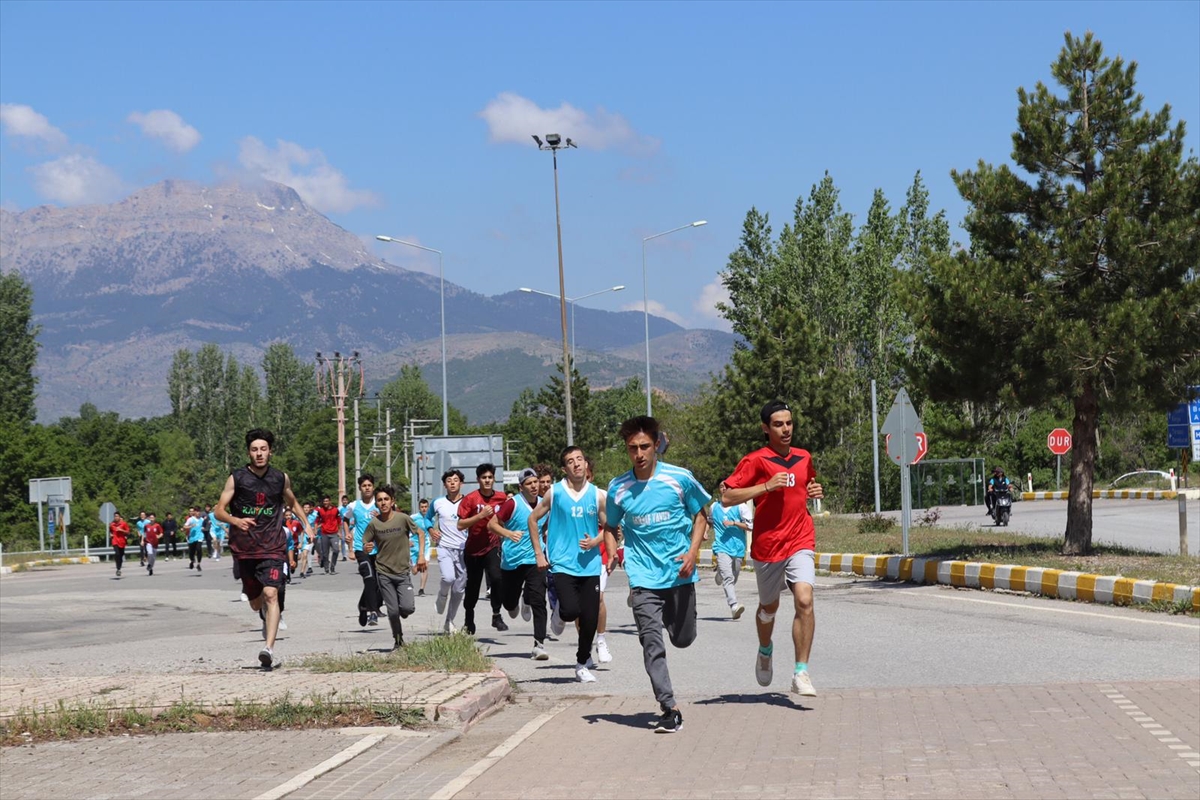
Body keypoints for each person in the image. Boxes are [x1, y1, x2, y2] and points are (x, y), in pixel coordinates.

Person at [605, 416, 709, 734]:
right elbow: (610, 526)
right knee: (652, 644)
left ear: (656, 445)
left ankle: (673, 620)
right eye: (633, 448)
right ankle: (669, 707)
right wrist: (612, 551)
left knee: (682, 638)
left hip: (679, 574)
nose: (639, 453)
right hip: (642, 576)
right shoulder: (618, 487)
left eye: (645, 446)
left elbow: (701, 516)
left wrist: (693, 552)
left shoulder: (680, 478)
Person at [722, 400, 825, 698]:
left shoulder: (804, 457)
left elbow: (805, 486)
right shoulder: (755, 460)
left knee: (805, 600)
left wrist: (814, 492)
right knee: (769, 608)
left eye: (789, 423)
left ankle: (801, 672)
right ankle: (765, 649)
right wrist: (765, 487)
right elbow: (727, 497)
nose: (786, 429)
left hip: (800, 538)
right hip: (768, 546)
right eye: (778, 424)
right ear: (765, 429)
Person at [214, 428, 311, 670]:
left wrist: (306, 524)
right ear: (249, 452)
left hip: (273, 546)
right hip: (245, 549)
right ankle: (264, 615)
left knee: (271, 594)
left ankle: (268, 648)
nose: (259, 454)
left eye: (263, 449)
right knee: (256, 602)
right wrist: (236, 521)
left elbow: (293, 501)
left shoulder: (280, 478)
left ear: (270, 451)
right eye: (255, 450)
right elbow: (219, 511)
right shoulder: (236, 478)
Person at [528, 446, 606, 684]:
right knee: (571, 611)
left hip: (590, 565)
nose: (577, 464)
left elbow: (611, 527)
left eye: (580, 459)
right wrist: (539, 554)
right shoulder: (555, 492)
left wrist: (596, 541)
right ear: (565, 468)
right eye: (571, 461)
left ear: (585, 464)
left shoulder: (598, 495)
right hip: (562, 563)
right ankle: (560, 610)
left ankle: (582, 663)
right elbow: (532, 519)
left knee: (590, 619)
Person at [490, 468, 549, 659]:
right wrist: (508, 534)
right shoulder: (512, 504)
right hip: (512, 561)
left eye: (536, 482)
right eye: (529, 483)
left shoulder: (544, 504)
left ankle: (539, 644)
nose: (534, 486)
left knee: (540, 600)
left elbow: (546, 526)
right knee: (509, 604)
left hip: (535, 558)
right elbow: (492, 524)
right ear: (521, 487)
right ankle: (519, 600)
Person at [363, 484, 426, 650]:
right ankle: (398, 641)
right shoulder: (374, 524)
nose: (383, 503)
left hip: (403, 572)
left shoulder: (402, 518)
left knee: (408, 608)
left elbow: (420, 533)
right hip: (383, 572)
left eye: (386, 499)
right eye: (379, 500)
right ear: (376, 503)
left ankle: (402, 611)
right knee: (392, 611)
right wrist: (366, 547)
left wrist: (420, 555)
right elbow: (365, 541)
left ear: (392, 501)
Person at [457, 463, 509, 635]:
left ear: (494, 479)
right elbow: (460, 524)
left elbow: (511, 513)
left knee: (497, 578)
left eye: (490, 477)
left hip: (492, 546)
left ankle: (496, 614)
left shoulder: (501, 498)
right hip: (473, 550)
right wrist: (480, 516)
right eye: (484, 478)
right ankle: (468, 618)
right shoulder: (470, 499)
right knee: (473, 586)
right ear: (478, 480)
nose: (487, 480)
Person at [430, 469, 467, 633]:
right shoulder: (438, 502)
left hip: (464, 549)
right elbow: (426, 519)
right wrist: (431, 529)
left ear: (461, 483)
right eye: (449, 480)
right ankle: (442, 595)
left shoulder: (469, 502)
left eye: (456, 480)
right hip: (444, 546)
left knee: (459, 590)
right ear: (445, 484)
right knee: (448, 577)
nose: (452, 483)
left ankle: (449, 621)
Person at [343, 475, 382, 627]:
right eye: (364, 485)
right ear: (360, 488)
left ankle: (362, 606)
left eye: (369, 485)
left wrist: (381, 516)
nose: (367, 488)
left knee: (378, 582)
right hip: (361, 547)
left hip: (378, 548)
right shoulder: (354, 506)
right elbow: (345, 519)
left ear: (373, 487)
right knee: (369, 578)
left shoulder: (380, 504)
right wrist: (347, 534)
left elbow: (390, 518)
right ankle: (373, 612)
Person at [709, 483, 751, 619]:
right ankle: (734, 606)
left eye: (728, 486)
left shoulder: (741, 507)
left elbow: (750, 526)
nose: (724, 488)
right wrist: (704, 532)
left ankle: (720, 573)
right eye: (721, 486)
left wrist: (734, 523)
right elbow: (709, 522)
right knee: (729, 578)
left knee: (734, 576)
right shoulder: (714, 507)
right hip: (721, 546)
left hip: (738, 548)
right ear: (719, 489)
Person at [586, 457, 613, 664]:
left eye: (587, 476)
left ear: (591, 476)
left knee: (599, 599)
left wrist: (610, 552)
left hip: (599, 556)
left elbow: (611, 527)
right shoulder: (564, 496)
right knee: (579, 606)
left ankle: (601, 640)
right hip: (575, 557)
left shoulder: (601, 496)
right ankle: (583, 646)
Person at [534, 463, 564, 638]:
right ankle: (527, 599)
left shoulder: (556, 498)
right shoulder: (532, 502)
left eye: (548, 481)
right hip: (534, 548)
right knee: (538, 585)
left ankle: (555, 609)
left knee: (553, 580)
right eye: (541, 482)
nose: (545, 485)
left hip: (553, 547)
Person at [314, 497, 341, 574]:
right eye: (324, 501)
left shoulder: (335, 510)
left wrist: (339, 532)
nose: (325, 503)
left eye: (326, 501)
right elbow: (316, 521)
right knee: (325, 553)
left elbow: (339, 521)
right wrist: (315, 530)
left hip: (334, 533)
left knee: (336, 550)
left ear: (329, 501)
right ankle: (326, 567)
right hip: (324, 533)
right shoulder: (320, 511)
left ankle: (332, 566)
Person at [412, 498, 434, 596]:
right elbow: (406, 528)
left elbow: (431, 531)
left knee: (425, 566)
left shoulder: (431, 519)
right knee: (414, 571)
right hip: (414, 545)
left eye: (426, 507)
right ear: (419, 508)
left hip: (425, 545)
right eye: (422, 507)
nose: (424, 509)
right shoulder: (413, 517)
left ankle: (421, 589)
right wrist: (407, 540)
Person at [109, 511, 130, 577]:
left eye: (117, 516)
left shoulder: (124, 524)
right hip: (115, 541)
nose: (116, 517)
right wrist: (111, 534)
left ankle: (119, 568)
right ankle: (118, 569)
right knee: (117, 554)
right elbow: (110, 531)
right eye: (115, 516)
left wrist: (122, 530)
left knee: (121, 556)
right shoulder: (112, 524)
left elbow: (128, 532)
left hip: (122, 542)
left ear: (119, 517)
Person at [185, 507, 205, 572]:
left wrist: (204, 528)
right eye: (197, 511)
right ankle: (191, 561)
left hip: (200, 537)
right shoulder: (191, 519)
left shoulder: (202, 519)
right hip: (192, 538)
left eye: (199, 511)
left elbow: (204, 527)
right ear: (194, 512)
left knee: (199, 549)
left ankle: (198, 564)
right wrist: (191, 526)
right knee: (191, 552)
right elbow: (184, 526)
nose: (198, 513)